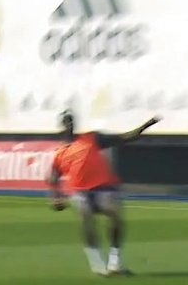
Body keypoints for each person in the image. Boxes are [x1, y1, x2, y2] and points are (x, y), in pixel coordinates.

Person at [49, 110, 161, 276]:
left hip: (103, 187)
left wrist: (145, 126)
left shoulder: (91, 138)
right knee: (86, 220)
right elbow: (53, 176)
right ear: (62, 126)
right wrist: (56, 197)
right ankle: (97, 263)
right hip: (80, 192)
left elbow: (124, 138)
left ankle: (115, 262)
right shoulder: (60, 152)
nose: (70, 124)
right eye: (67, 122)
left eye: (71, 121)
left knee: (115, 215)